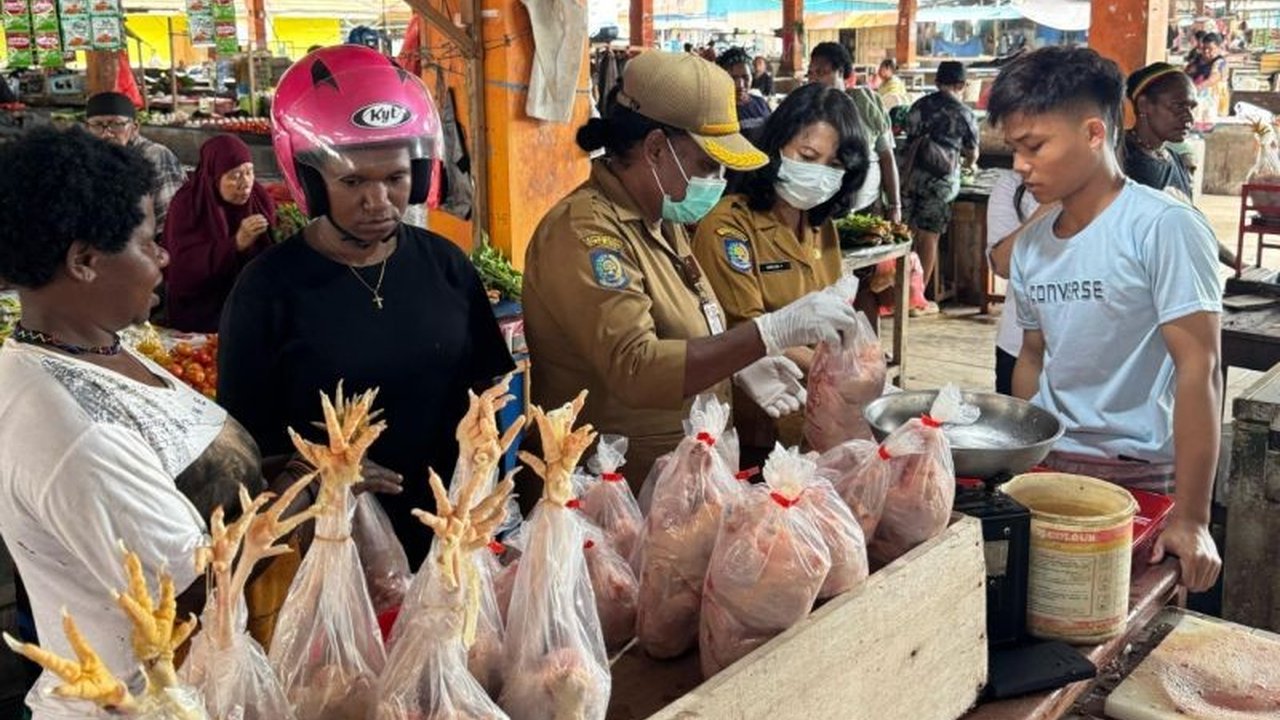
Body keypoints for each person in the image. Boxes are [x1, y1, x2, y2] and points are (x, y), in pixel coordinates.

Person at [0, 127, 324, 719]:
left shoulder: (96, 349)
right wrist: (309, 481)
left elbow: (176, 468)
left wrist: (277, 468)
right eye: (149, 241)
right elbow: (200, 592)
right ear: (85, 261)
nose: (165, 255)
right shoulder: (73, 432)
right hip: (151, 699)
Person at [218, 45, 513, 567]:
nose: (378, 201)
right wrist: (323, 476)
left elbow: (489, 391)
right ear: (310, 181)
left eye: (396, 179)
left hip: (451, 535)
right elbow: (248, 456)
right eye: (353, 181)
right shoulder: (266, 290)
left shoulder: (445, 265)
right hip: (332, 552)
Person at [522, 51, 861, 486]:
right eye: (707, 164)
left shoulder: (662, 218)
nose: (718, 179)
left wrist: (736, 365)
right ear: (657, 148)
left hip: (676, 476)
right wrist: (768, 334)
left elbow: (691, 324)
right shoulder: (583, 232)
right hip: (605, 491)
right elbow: (636, 367)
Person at [988, 46, 1223, 593]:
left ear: (1095, 134)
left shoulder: (1162, 227)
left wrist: (1192, 517)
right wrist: (1027, 465)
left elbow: (1200, 371)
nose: (1020, 166)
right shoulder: (1032, 247)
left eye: (1034, 147)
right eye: (1014, 149)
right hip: (1053, 463)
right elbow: (1032, 357)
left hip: (1141, 471)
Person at [691, 83, 869, 460]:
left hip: (815, 423)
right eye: (807, 155)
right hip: (757, 427)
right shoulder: (730, 226)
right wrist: (849, 375)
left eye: (834, 166)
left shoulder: (821, 226)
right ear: (776, 147)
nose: (818, 174)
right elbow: (746, 330)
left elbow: (835, 313)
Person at [1124, 62, 1238, 268]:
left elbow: (1194, 225)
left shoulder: (1173, 158)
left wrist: (1241, 265)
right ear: (1143, 105)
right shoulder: (1119, 158)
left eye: (1191, 107)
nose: (1189, 117)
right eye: (1178, 106)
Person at [162, 135, 276, 333]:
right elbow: (182, 268)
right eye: (235, 175)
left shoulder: (259, 199)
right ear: (214, 176)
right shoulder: (188, 205)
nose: (245, 183)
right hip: (202, 311)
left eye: (249, 172)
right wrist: (234, 245)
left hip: (251, 306)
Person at [901, 60, 979, 311]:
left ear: (936, 82)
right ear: (961, 85)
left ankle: (895, 292)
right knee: (928, 238)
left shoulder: (918, 106)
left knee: (904, 235)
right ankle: (917, 299)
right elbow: (972, 153)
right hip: (941, 184)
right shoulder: (964, 113)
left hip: (910, 179)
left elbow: (908, 137)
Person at [808, 42, 902, 222]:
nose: (813, 79)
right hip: (823, 208)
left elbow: (886, 156)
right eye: (810, 73)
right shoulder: (808, 108)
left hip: (868, 207)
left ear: (841, 72)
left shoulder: (866, 103)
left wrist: (895, 205)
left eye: (821, 73)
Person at [84, 92, 185, 234]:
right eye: (97, 125)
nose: (106, 133)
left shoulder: (154, 156)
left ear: (134, 127)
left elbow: (170, 220)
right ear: (87, 128)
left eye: (116, 124)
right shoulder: (86, 156)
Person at [717, 47, 771, 134]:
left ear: (752, 77)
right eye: (733, 78)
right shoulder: (717, 110)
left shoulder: (761, 104)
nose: (740, 85)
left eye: (746, 77)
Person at [1185, 32, 1229, 119]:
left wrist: (1195, 89)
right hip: (1197, 100)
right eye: (1204, 48)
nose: (1206, 51)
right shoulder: (1198, 60)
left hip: (1213, 102)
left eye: (1210, 49)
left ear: (1218, 48)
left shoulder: (1220, 63)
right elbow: (1187, 73)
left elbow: (1212, 80)